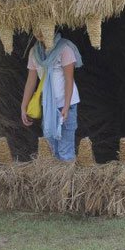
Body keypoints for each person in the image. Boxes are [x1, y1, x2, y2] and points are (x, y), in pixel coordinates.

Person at [20, 32, 82, 161]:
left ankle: (67, 181)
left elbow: (69, 79)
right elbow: (31, 81)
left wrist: (66, 106)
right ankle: (57, 180)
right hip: (48, 106)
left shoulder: (64, 49)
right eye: (36, 29)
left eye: (43, 28)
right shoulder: (34, 52)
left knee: (65, 151)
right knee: (51, 150)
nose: (39, 32)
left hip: (66, 105)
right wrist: (23, 106)